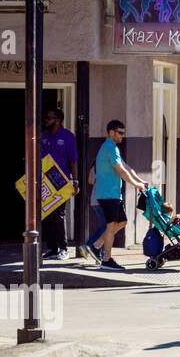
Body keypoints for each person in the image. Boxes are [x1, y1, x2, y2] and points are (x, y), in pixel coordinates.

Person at [88, 119, 148, 271]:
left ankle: (96, 246)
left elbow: (127, 167)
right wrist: (137, 185)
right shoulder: (109, 147)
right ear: (111, 133)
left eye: (123, 133)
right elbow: (121, 171)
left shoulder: (113, 148)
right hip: (108, 193)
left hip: (113, 194)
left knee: (122, 222)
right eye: (120, 133)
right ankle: (106, 260)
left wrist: (141, 181)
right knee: (110, 226)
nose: (122, 136)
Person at [40, 108, 78, 261]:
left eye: (49, 118)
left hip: (61, 181)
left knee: (58, 215)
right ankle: (52, 248)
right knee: (47, 215)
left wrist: (75, 181)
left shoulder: (68, 137)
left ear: (57, 120)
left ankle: (63, 248)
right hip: (45, 181)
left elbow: (73, 160)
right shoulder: (43, 135)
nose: (46, 120)